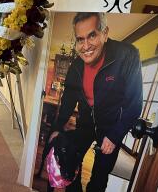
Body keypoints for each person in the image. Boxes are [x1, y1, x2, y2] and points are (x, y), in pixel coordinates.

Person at [49, 12, 143, 192]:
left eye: (92, 35)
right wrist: (57, 127)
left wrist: (115, 135)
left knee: (99, 176)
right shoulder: (76, 66)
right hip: (85, 123)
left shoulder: (127, 55)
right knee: (69, 162)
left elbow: (134, 104)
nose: (85, 46)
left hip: (111, 126)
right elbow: (68, 100)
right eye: (80, 39)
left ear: (105, 33)